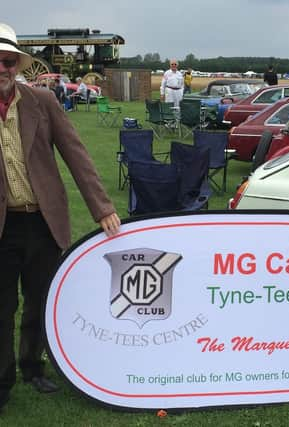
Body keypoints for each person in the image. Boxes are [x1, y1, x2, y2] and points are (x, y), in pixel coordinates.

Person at [0, 23, 121, 411]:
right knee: (2, 307)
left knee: (39, 299)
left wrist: (102, 208)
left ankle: (33, 367)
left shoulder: (43, 102)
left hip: (42, 221)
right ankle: (2, 380)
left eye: (6, 61)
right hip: (3, 226)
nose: (1, 68)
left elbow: (77, 155)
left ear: (17, 65)